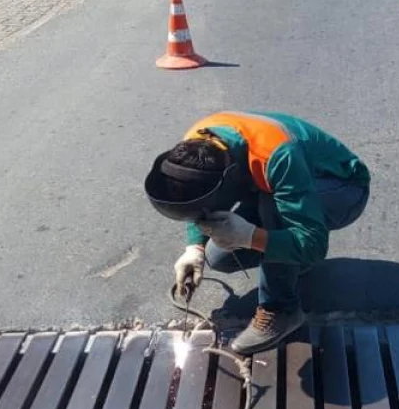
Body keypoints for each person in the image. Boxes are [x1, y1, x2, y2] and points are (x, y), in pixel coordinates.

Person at [145, 111, 371, 355]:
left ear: (227, 177)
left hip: (342, 189)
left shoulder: (277, 156)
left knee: (272, 208)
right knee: (221, 256)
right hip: (278, 184)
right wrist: (195, 247)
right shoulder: (196, 143)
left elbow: (313, 244)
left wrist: (250, 236)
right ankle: (288, 259)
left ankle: (282, 310)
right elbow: (198, 200)